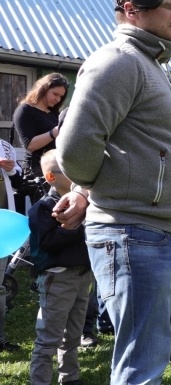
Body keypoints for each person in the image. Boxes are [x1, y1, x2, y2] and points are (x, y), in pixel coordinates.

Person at [55, 0, 171, 384]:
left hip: (150, 232)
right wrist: (100, 189)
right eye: (168, 5)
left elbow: (122, 147)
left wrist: (88, 191)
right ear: (132, 7)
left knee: (145, 357)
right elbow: (75, 149)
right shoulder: (119, 61)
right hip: (132, 232)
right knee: (141, 365)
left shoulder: (148, 65)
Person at [28, 150, 93, 385]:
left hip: (82, 276)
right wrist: (77, 226)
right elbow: (48, 242)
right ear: (51, 177)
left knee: (73, 334)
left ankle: (70, 377)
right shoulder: (43, 208)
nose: (76, 174)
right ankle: (40, 380)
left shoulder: (85, 205)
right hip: (58, 278)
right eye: (68, 169)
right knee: (49, 337)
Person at [13, 73, 69, 178]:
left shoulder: (54, 113)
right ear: (43, 89)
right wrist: (56, 131)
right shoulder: (25, 110)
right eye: (55, 94)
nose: (58, 99)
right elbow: (30, 146)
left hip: (56, 167)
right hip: (36, 171)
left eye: (61, 96)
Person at [0, 138, 21, 353]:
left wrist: (11, 170)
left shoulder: (5, 147)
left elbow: (18, 182)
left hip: (2, 225)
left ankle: (0, 338)